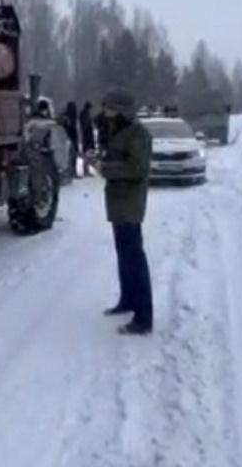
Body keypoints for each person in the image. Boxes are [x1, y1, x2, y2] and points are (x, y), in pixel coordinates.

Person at [92, 89, 153, 335]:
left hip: (130, 202)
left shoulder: (138, 134)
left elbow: (137, 168)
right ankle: (127, 299)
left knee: (134, 258)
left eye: (110, 108)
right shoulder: (117, 131)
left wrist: (106, 168)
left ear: (122, 110)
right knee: (123, 255)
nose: (105, 113)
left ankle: (143, 317)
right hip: (118, 201)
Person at [60, 101, 79, 177]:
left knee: (71, 156)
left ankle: (71, 172)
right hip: (69, 138)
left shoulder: (69, 117)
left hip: (69, 138)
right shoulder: (69, 117)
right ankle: (71, 172)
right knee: (70, 156)